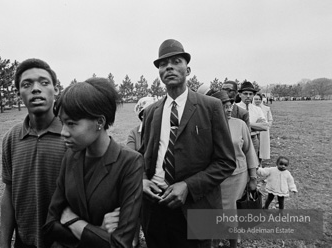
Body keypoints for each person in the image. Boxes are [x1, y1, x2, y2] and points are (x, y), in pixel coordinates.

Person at [140, 39, 236, 248]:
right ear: (159, 73)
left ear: (188, 69)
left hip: (197, 208)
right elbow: (141, 155)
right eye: (163, 64)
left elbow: (226, 162)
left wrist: (188, 186)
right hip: (155, 208)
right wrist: (142, 180)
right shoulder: (150, 112)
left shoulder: (211, 107)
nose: (170, 67)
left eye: (176, 61)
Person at [43, 78, 144, 248]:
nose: (63, 132)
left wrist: (72, 220)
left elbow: (121, 244)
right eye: (62, 123)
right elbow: (50, 225)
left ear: (100, 122)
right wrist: (97, 231)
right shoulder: (70, 157)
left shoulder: (129, 163)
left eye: (71, 124)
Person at [0, 58, 67, 248]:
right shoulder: (12, 138)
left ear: (55, 89)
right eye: (27, 84)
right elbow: (9, 191)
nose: (36, 89)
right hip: (24, 241)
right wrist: (4, 243)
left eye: (44, 82)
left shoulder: (71, 135)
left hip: (64, 242)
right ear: (18, 94)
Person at [211, 91, 258, 248]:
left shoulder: (240, 125)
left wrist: (253, 178)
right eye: (225, 106)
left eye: (230, 105)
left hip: (237, 176)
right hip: (215, 178)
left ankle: (233, 243)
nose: (229, 109)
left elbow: (249, 151)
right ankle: (215, 241)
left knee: (232, 212)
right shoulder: (208, 124)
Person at [126, 96, 157, 248]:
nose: (150, 116)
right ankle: (135, 240)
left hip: (158, 181)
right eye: (146, 113)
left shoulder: (164, 131)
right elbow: (131, 157)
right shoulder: (134, 133)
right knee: (136, 212)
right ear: (141, 116)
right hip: (139, 179)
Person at [236, 81, 268, 158]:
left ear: (253, 95)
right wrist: (256, 125)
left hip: (253, 139)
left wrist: (243, 123)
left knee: (253, 162)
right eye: (245, 93)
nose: (248, 96)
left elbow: (264, 127)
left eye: (250, 94)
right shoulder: (235, 108)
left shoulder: (257, 109)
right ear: (240, 94)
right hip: (238, 139)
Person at [253, 93, 273, 165]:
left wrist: (267, 127)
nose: (257, 101)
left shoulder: (266, 109)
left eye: (259, 99)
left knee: (262, 147)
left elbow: (270, 119)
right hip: (254, 130)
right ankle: (254, 162)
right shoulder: (251, 108)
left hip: (263, 131)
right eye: (256, 99)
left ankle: (260, 162)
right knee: (255, 146)